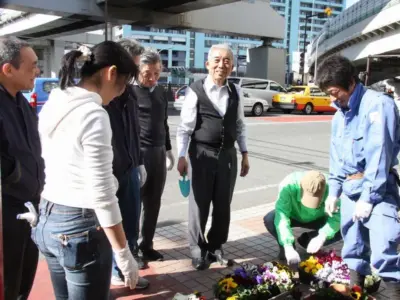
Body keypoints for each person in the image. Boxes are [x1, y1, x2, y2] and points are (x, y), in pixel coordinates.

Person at [34, 42, 141, 299]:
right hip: (80, 227)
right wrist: (124, 254)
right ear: (111, 73)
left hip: (48, 217)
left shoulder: (56, 100)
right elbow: (102, 194)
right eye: (124, 83)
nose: (121, 92)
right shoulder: (94, 114)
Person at [317, 55, 400, 299]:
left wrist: (368, 197)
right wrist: (333, 191)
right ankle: (356, 294)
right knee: (353, 248)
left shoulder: (378, 105)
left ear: (351, 83)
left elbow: (379, 156)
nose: (333, 99)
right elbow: (337, 158)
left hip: (378, 189)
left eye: (335, 92)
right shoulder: (338, 115)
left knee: (384, 249)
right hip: (351, 189)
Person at [176, 43, 250, 270]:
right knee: (199, 204)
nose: (222, 65)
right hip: (201, 154)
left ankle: (216, 246)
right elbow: (185, 128)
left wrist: (245, 153)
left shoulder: (235, 91)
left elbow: (239, 125)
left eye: (227, 60)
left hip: (227, 155)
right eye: (217, 60)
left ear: (233, 66)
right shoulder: (195, 90)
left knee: (222, 204)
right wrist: (181, 156)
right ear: (208, 64)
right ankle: (197, 250)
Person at [0, 37, 44, 300]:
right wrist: (17, 176)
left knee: (25, 276)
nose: (36, 71)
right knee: (8, 282)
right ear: (8, 69)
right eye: (32, 66)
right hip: (8, 213)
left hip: (29, 207)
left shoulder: (21, 102)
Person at [104, 39, 150, 287]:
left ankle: (127, 268)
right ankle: (114, 269)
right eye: (132, 67)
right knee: (110, 223)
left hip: (130, 169)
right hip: (108, 173)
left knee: (131, 222)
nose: (134, 74)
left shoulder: (130, 94)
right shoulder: (102, 96)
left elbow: (135, 133)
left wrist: (140, 161)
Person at [131, 48, 174, 262]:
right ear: (138, 70)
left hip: (158, 152)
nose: (152, 78)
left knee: (153, 202)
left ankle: (146, 244)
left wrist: (168, 150)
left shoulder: (160, 91)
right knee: (134, 203)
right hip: (138, 153)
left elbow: (164, 123)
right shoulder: (129, 93)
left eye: (157, 73)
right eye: (147, 73)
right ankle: (132, 250)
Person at [263, 170, 342, 266]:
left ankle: (308, 241)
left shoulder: (334, 189)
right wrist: (288, 245)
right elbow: (282, 216)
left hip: (318, 218)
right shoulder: (288, 186)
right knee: (270, 219)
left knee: (344, 226)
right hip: (293, 216)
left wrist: (322, 236)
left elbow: (338, 216)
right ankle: (288, 249)